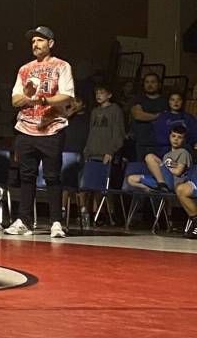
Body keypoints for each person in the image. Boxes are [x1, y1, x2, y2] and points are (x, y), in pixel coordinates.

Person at [5, 26, 75, 239]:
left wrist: (43, 99)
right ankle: (24, 221)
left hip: (52, 128)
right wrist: (28, 96)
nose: (35, 44)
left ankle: (56, 222)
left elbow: (67, 96)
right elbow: (15, 100)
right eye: (33, 41)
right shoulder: (24, 69)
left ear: (50, 43)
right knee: (27, 176)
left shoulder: (61, 66)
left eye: (40, 40)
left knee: (52, 177)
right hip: (26, 129)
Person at [78, 83, 126, 229]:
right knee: (89, 186)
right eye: (97, 93)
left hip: (106, 154)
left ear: (109, 94)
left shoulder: (115, 110)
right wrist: (87, 150)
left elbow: (118, 133)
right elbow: (91, 132)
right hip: (92, 153)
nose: (99, 95)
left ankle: (108, 214)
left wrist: (111, 151)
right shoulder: (94, 111)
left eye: (102, 92)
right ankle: (92, 214)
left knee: (104, 187)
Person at [127, 126, 190, 194]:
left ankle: (162, 185)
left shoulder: (183, 152)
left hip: (173, 182)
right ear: (169, 137)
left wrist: (164, 166)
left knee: (149, 157)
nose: (176, 139)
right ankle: (154, 190)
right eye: (173, 136)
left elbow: (178, 172)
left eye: (179, 137)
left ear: (184, 140)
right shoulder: (167, 155)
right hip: (161, 180)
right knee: (131, 179)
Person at [130, 73, 167, 161]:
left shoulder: (165, 101)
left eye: (153, 82)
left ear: (159, 84)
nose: (150, 85)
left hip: (160, 144)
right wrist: (157, 116)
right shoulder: (138, 99)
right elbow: (138, 115)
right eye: (147, 82)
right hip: (141, 144)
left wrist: (148, 116)